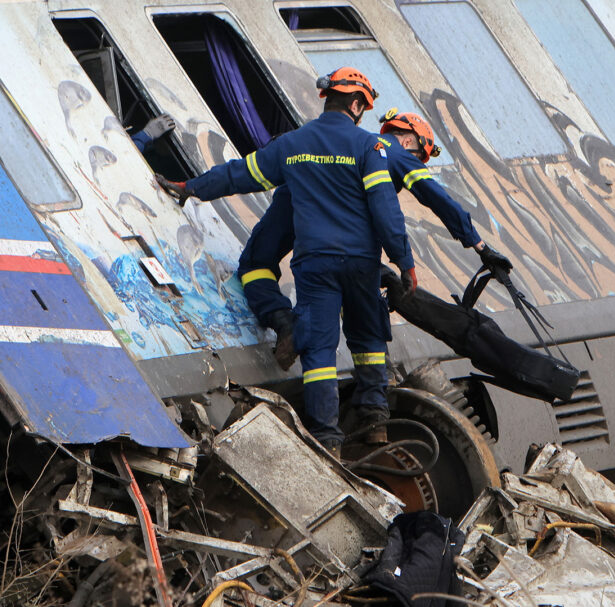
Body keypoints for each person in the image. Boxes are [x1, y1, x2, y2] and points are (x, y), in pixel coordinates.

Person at [157, 67, 414, 456]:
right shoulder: (368, 147)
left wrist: (190, 187)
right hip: (361, 262)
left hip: (316, 265)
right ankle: (375, 420)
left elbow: (239, 174)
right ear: (358, 104)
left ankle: (328, 443)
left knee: (319, 353)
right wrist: (403, 259)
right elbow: (385, 209)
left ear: (328, 97)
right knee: (370, 338)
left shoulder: (294, 143)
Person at [238, 108, 513, 372]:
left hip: (296, 207)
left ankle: (284, 321)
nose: (417, 161)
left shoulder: (352, 141)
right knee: (354, 283)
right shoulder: (394, 152)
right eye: (420, 156)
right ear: (408, 140)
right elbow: (440, 200)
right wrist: (481, 247)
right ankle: (376, 379)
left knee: (254, 265)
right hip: (344, 244)